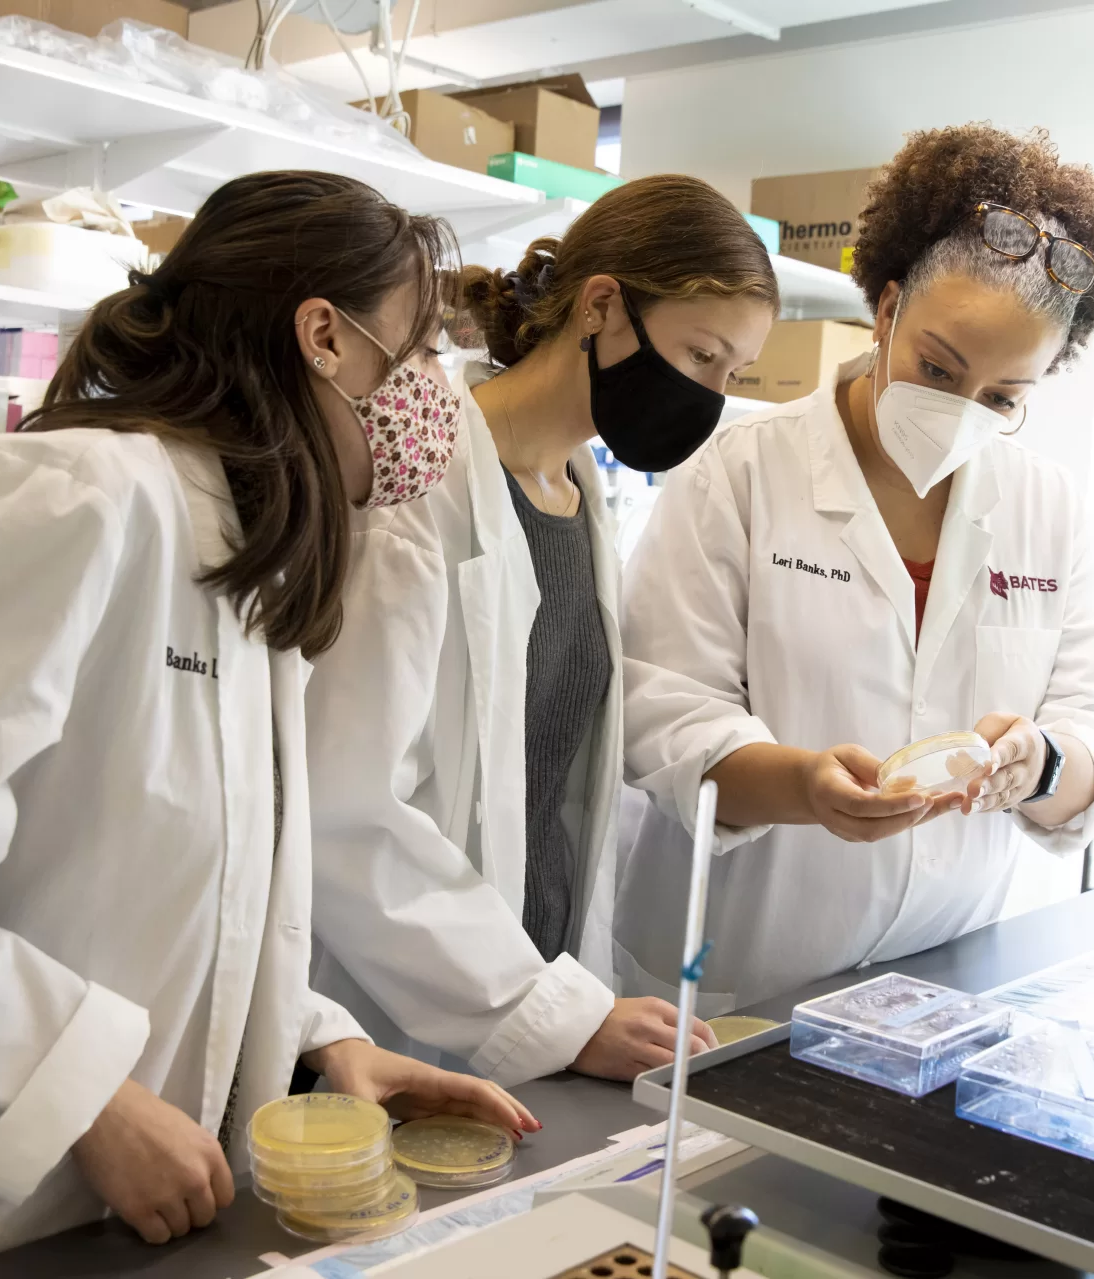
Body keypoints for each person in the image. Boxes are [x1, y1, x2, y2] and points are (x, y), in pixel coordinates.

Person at [0, 171, 532, 1279]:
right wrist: (75, 1094)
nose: (434, 403)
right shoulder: (67, 499)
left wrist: (324, 1044)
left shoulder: (236, 557)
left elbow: (194, 901)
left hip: (77, 1226)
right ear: (323, 336)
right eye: (417, 358)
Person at [617, 126, 1094, 1011]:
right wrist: (801, 786)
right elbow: (661, 710)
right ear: (887, 308)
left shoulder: (1049, 509)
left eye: (1002, 398)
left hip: (943, 985)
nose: (958, 410)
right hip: (735, 977)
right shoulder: (740, 474)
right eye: (937, 368)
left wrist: (1042, 763)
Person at [302, 175, 778, 1083]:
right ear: (603, 306)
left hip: (547, 980)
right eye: (701, 354)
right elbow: (349, 805)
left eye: (733, 374)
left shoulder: (575, 492)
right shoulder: (424, 485)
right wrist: (536, 1011)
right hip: (406, 1004)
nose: (710, 395)